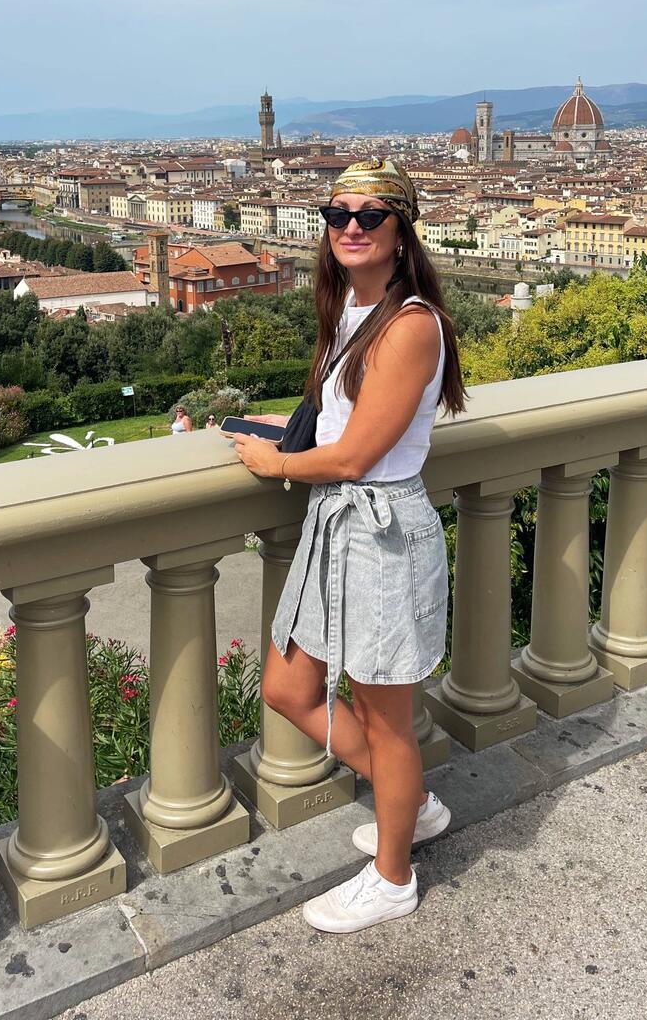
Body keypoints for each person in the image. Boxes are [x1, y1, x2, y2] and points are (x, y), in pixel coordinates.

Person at [233, 157, 466, 934]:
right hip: (338, 525)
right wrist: (284, 431)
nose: (352, 227)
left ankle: (394, 877)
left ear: (402, 231)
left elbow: (358, 457)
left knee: (385, 717)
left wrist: (275, 464)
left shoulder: (411, 325)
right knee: (288, 688)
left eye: (371, 215)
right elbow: (345, 426)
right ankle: (413, 804)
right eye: (339, 215)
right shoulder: (352, 312)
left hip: (380, 531)